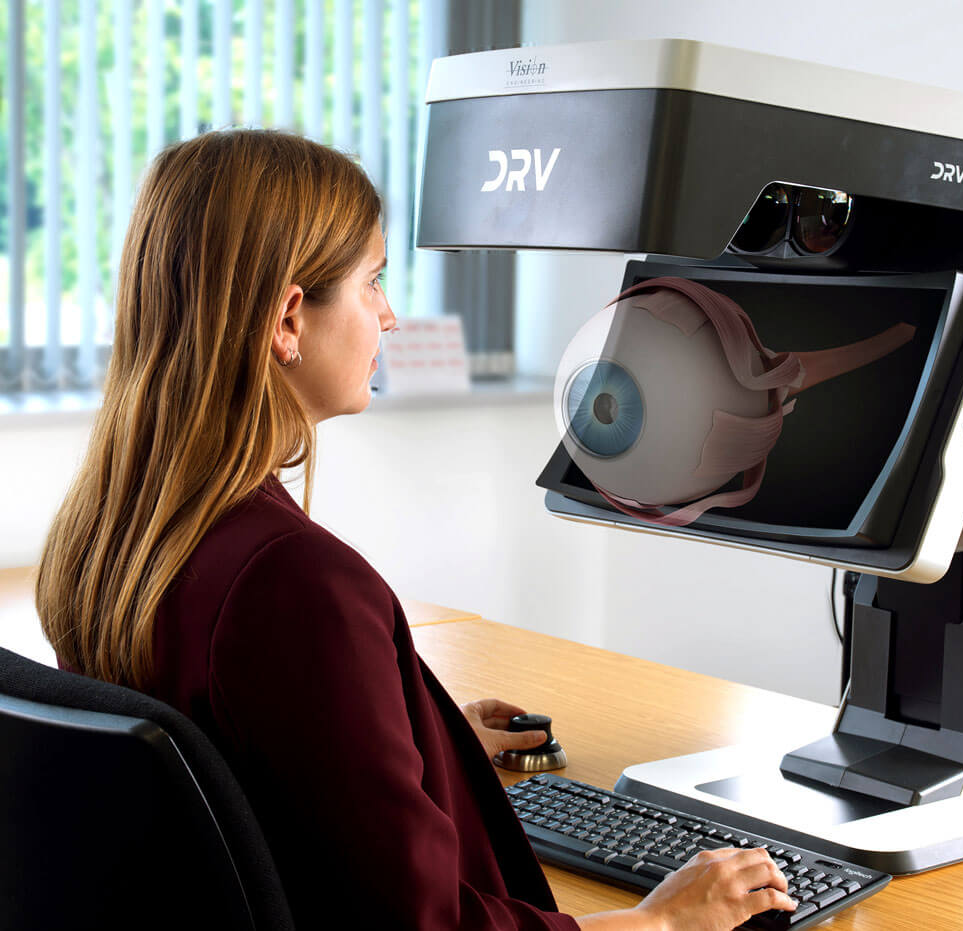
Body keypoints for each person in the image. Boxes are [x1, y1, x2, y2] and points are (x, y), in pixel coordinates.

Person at [35, 129, 796, 930]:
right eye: (372, 282)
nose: (390, 316)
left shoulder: (107, 537)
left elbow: (245, 769)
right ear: (289, 319)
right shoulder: (295, 584)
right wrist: (662, 921)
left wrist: (419, 739)